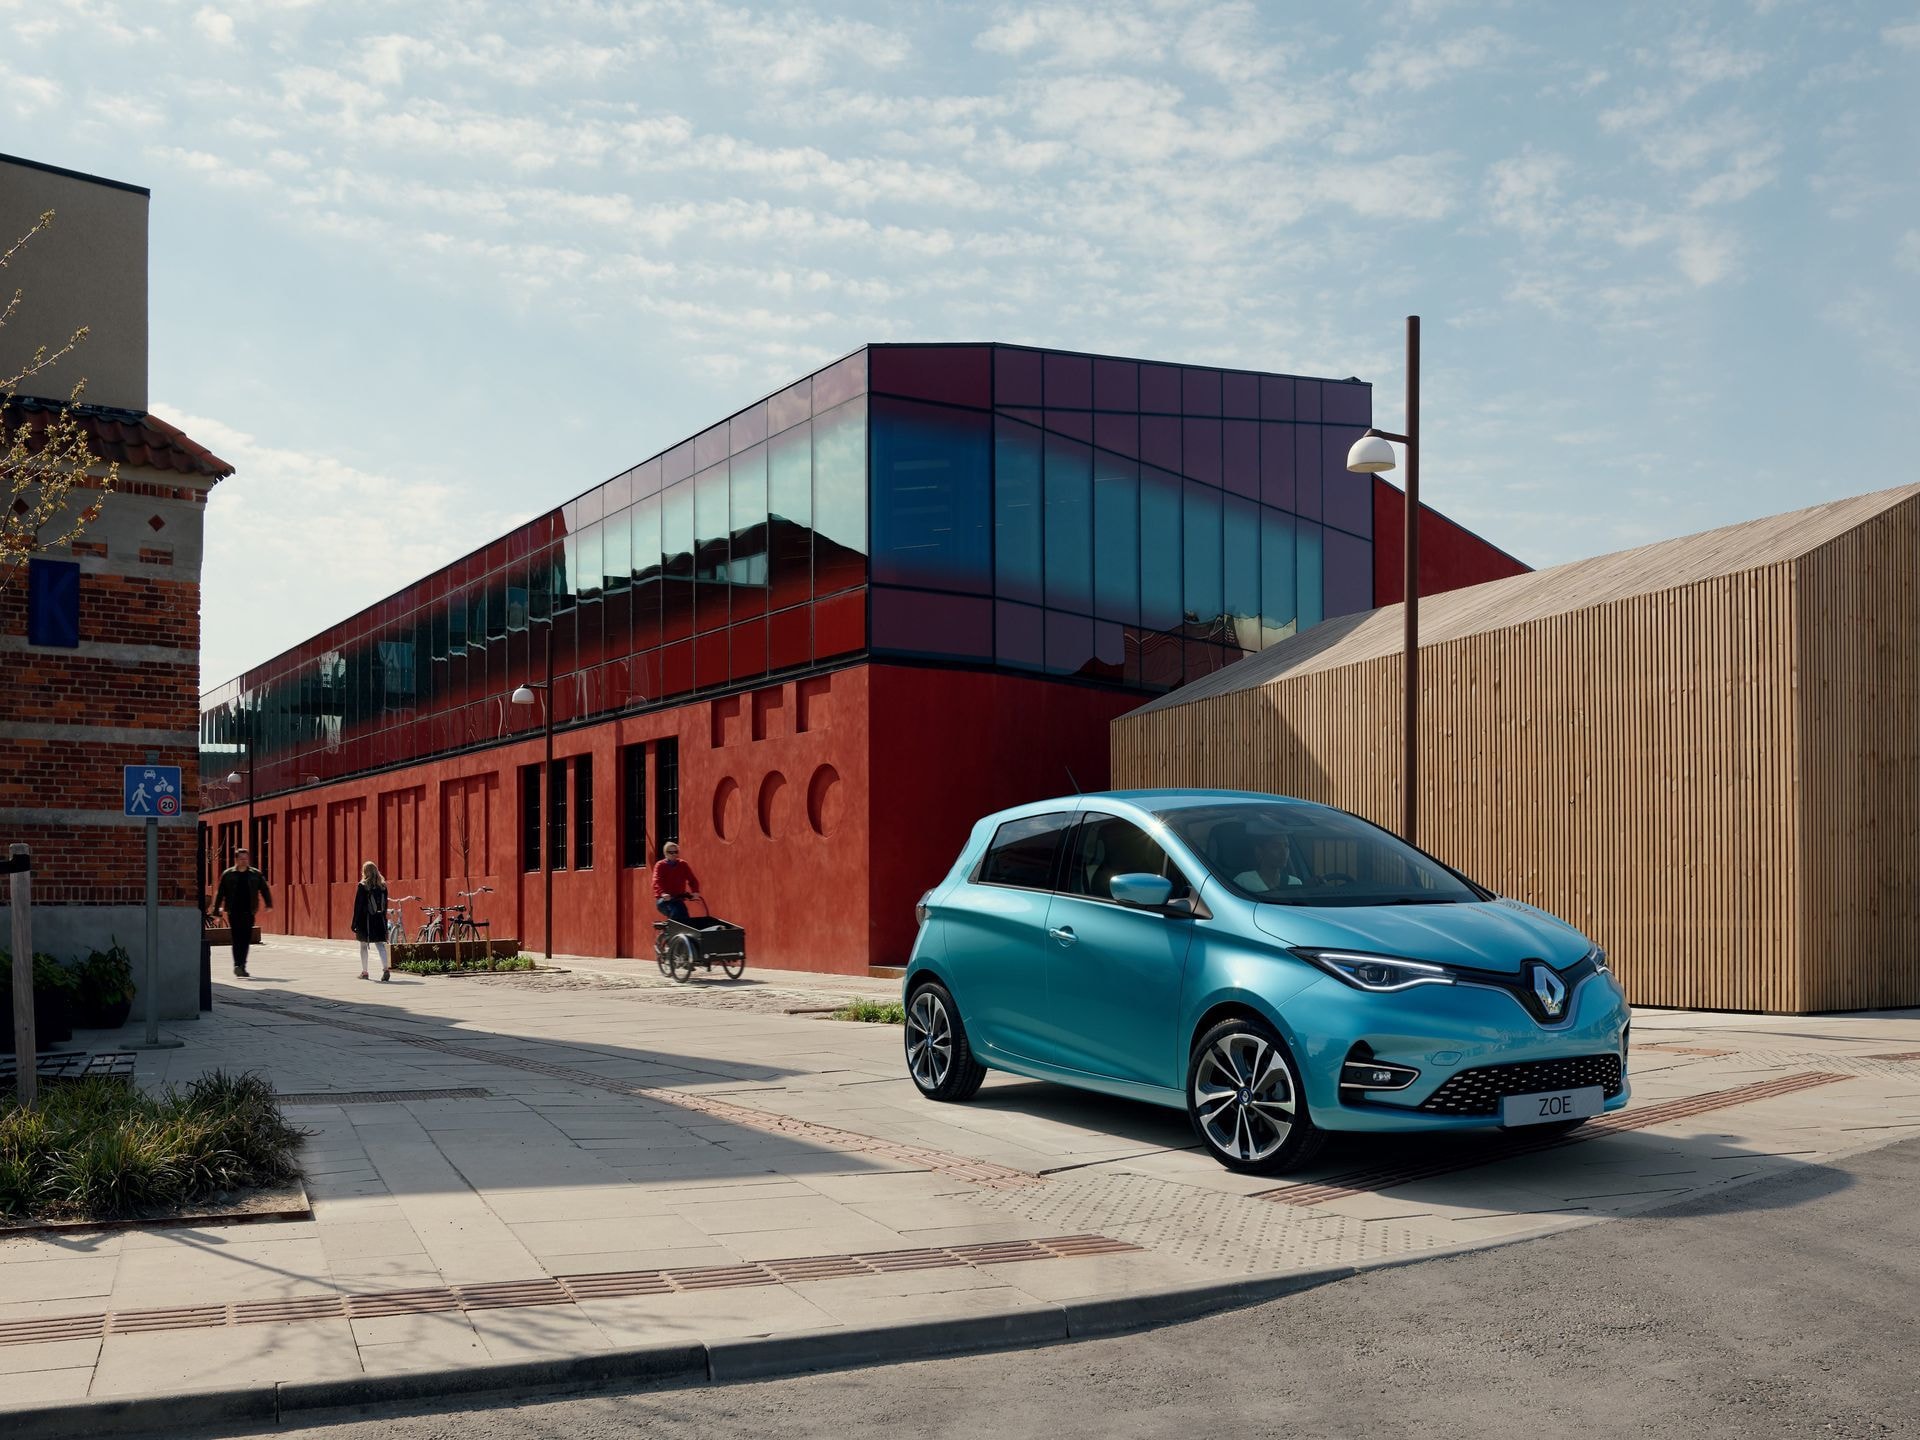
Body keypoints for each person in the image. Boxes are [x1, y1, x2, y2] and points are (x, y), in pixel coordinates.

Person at [211, 847, 273, 978]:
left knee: (245, 939)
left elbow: (264, 889)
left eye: (245, 858)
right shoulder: (228, 874)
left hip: (249, 911)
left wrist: (268, 903)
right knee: (237, 938)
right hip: (233, 911)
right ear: (236, 860)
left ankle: (242, 965)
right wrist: (216, 911)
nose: (244, 861)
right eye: (241, 859)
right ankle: (237, 964)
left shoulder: (255, 874)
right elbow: (220, 893)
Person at [350, 861, 392, 982]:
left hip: (365, 921)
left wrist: (354, 922)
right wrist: (384, 921)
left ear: (365, 871)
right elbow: (385, 905)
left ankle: (365, 972)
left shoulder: (362, 886)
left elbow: (358, 906)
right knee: (380, 945)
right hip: (379, 919)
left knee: (363, 946)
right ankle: (386, 970)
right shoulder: (383, 886)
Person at [1235, 831, 1302, 895]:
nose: (1284, 853)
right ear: (1259, 851)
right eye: (1276, 847)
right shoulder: (1243, 881)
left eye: (1286, 846)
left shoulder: (1295, 883)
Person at [651, 841, 702, 925]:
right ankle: (669, 934)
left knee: (685, 919)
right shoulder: (660, 865)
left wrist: (695, 891)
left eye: (676, 852)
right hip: (664, 900)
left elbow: (692, 879)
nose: (673, 854)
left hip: (678, 899)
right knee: (675, 913)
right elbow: (657, 881)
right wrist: (663, 893)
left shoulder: (683, 864)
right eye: (670, 852)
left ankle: (678, 934)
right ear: (665, 853)